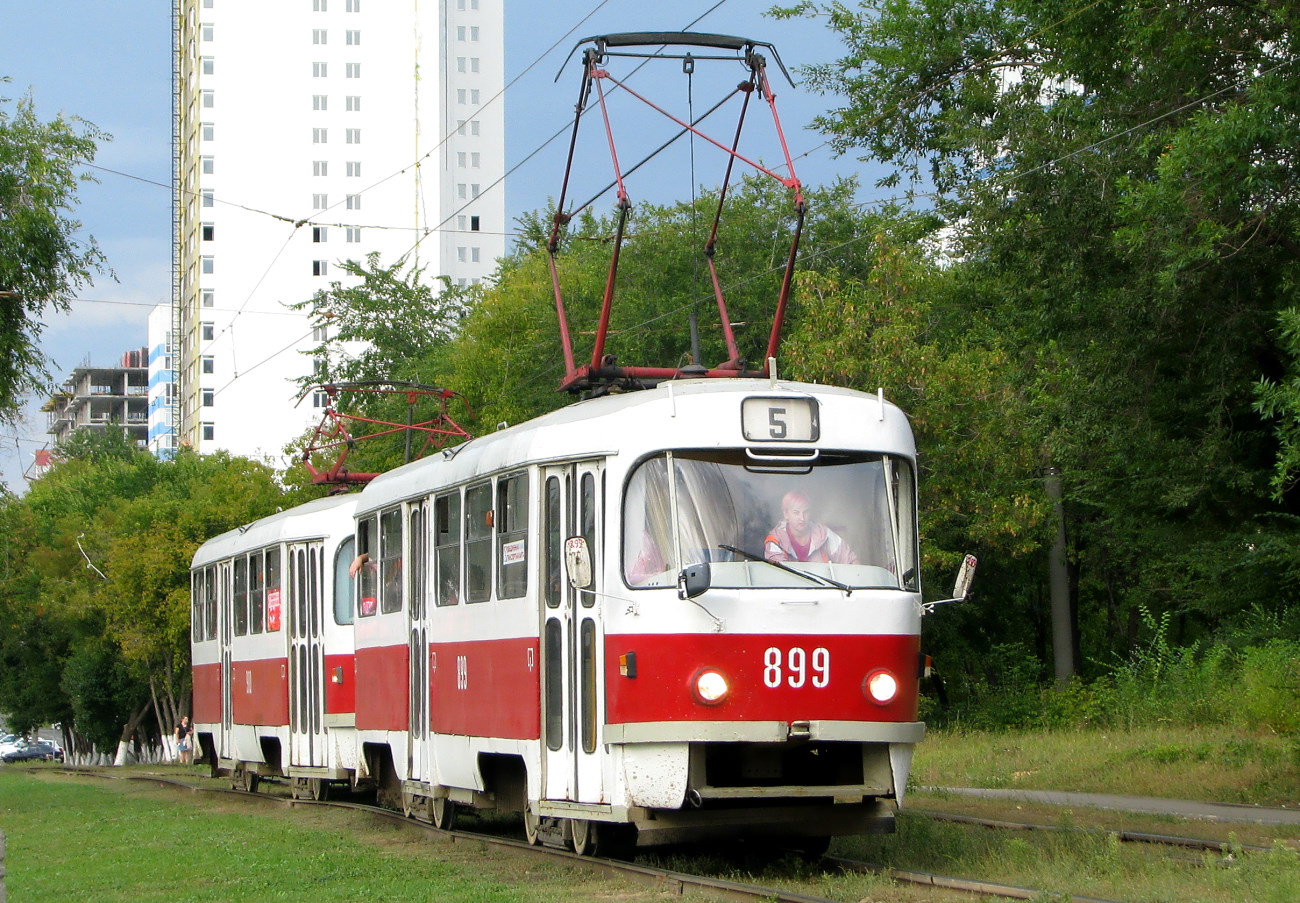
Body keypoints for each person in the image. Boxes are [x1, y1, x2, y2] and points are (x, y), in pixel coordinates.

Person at [764, 490, 859, 564]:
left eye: (806, 512)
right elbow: (779, 576)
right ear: (786, 514)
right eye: (796, 512)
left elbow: (851, 561)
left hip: (826, 588)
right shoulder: (775, 541)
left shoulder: (823, 534)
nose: (802, 518)